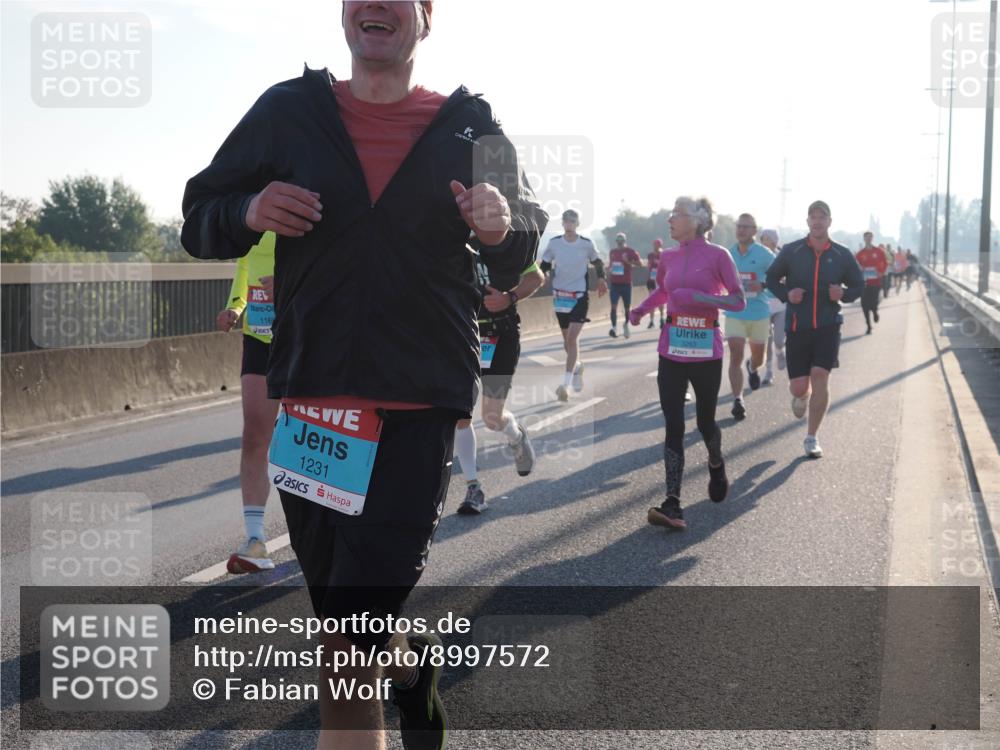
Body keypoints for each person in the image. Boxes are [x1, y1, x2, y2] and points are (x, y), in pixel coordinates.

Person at [181, 2, 546, 748]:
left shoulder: (470, 126)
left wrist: (501, 227)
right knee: (355, 630)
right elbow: (198, 216)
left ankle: (396, 675)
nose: (374, 4)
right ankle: (411, 673)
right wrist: (249, 206)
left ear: (425, 17)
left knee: (342, 655)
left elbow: (524, 242)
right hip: (313, 409)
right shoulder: (289, 112)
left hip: (417, 409)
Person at [629, 196, 746, 530]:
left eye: (676, 215)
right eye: (671, 214)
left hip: (706, 353)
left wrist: (700, 298)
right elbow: (666, 293)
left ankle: (716, 462)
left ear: (697, 220)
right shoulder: (667, 256)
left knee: (705, 423)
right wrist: (642, 309)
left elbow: (738, 300)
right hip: (671, 352)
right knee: (673, 425)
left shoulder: (718, 256)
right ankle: (673, 503)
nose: (670, 220)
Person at [765, 201, 864, 459]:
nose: (817, 221)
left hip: (828, 326)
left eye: (822, 217)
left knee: (821, 375)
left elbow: (858, 285)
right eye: (813, 217)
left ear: (830, 221)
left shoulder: (842, 254)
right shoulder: (792, 251)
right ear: (807, 221)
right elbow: (771, 278)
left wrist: (843, 293)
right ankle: (801, 396)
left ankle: (811, 437)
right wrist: (788, 294)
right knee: (799, 388)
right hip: (798, 327)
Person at [455, 248, 545, 515]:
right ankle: (474, 487)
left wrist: (510, 297)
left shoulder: (505, 239)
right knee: (461, 413)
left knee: (492, 418)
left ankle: (516, 434)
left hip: (500, 334)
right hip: (462, 334)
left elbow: (536, 277)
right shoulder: (448, 231)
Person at [216, 231, 280, 573]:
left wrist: (288, 283)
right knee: (255, 434)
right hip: (260, 334)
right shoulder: (249, 207)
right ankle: (255, 540)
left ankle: (327, 530)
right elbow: (245, 265)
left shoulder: (309, 189)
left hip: (307, 331)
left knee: (307, 439)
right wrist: (235, 306)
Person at [540, 209, 608, 402]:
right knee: (566, 342)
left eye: (572, 221)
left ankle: (565, 385)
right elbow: (544, 264)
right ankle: (577, 366)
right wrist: (543, 274)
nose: (569, 224)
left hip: (579, 295)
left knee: (572, 339)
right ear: (562, 224)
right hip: (560, 296)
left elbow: (598, 263)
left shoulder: (586, 244)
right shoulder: (554, 244)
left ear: (577, 224)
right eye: (566, 221)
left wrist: (602, 279)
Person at [724, 214, 774, 420]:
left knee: (758, 357)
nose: (741, 230)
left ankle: (752, 368)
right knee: (735, 354)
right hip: (735, 312)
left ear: (754, 230)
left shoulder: (765, 255)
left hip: (759, 313)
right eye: (739, 226)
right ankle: (738, 399)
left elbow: (781, 278)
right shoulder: (727, 254)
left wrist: (762, 286)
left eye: (746, 227)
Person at [759, 228, 785, 383]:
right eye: (762, 238)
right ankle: (768, 372)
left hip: (781, 304)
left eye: (766, 238)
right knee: (766, 340)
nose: (763, 241)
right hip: (764, 304)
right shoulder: (757, 256)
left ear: (774, 241)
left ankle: (780, 351)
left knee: (779, 339)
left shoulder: (782, 257)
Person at [606, 232, 643, 339]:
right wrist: (609, 271)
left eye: (622, 241)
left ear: (625, 241)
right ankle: (613, 328)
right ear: (616, 242)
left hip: (626, 284)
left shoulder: (630, 251)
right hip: (614, 284)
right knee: (613, 306)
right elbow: (610, 265)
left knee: (627, 308)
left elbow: (640, 263)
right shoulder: (612, 252)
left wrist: (628, 261)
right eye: (618, 241)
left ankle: (626, 325)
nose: (620, 243)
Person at [855, 231, 887, 334]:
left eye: (870, 237)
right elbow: (855, 267)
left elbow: (885, 263)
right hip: (864, 283)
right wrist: (860, 270)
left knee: (873, 303)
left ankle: (875, 311)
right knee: (864, 305)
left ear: (872, 238)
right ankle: (868, 326)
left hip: (876, 282)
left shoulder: (879, 251)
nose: (868, 239)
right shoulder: (860, 254)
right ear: (864, 239)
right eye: (866, 237)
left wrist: (881, 272)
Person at [646, 238, 666, 329]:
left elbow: (666, 267)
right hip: (651, 279)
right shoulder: (650, 255)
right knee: (652, 300)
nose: (655, 246)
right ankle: (651, 321)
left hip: (660, 280)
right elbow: (648, 266)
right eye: (654, 244)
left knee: (660, 300)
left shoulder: (663, 254)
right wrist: (649, 265)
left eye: (657, 244)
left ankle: (662, 318)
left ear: (660, 245)